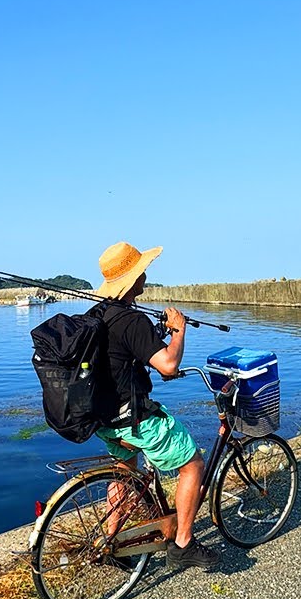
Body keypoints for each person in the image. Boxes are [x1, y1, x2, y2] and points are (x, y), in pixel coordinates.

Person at [92, 240, 220, 571]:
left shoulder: (100, 314)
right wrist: (177, 331)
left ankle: (111, 540)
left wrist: (157, 334)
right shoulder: (131, 321)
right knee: (192, 464)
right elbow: (168, 365)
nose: (146, 275)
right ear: (133, 278)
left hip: (104, 418)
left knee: (125, 472)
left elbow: (126, 353)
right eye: (142, 270)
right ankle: (183, 545)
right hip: (132, 419)